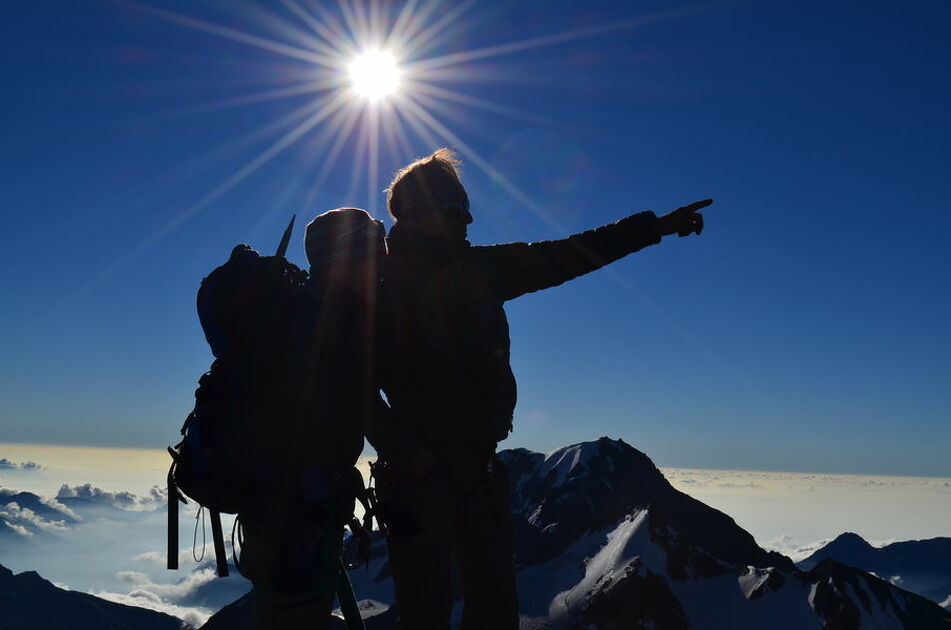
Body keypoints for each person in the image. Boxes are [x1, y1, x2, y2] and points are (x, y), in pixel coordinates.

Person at [374, 148, 710, 630]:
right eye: (454, 211)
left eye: (465, 211)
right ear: (418, 216)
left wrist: (653, 228)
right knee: (430, 608)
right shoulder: (383, 287)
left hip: (474, 467)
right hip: (423, 476)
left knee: (487, 605)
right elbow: (357, 384)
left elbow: (567, 255)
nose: (466, 223)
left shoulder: (474, 271)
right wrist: (406, 450)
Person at [237, 208, 385, 630]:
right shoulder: (331, 320)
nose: (380, 267)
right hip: (298, 514)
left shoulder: (303, 311)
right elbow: (355, 409)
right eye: (373, 254)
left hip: (280, 510)